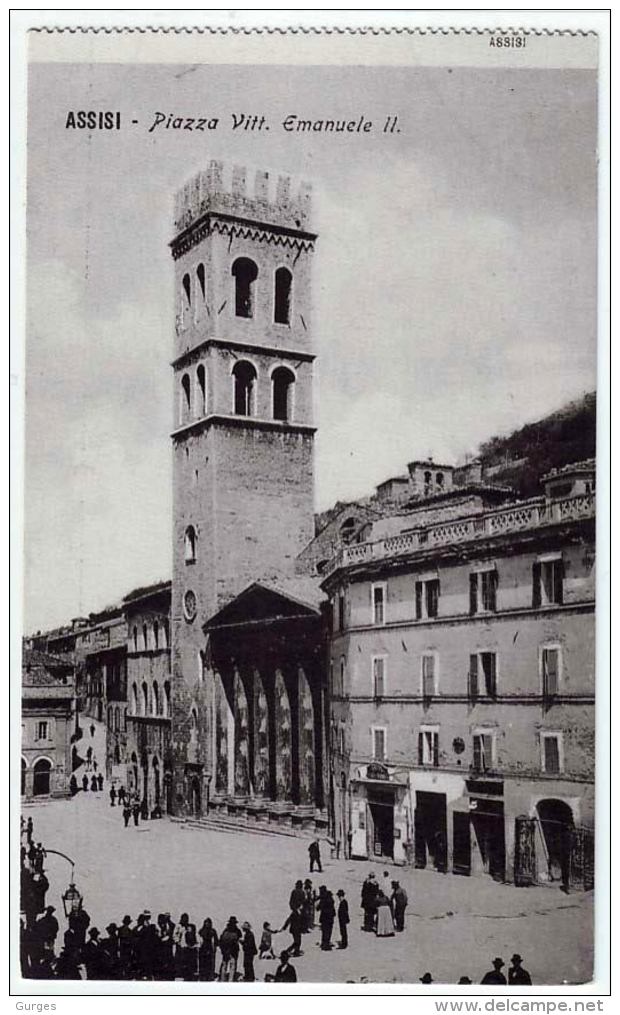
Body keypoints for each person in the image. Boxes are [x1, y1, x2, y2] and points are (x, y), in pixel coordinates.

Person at [219, 916, 242, 981]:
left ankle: (223, 979)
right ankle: (230, 980)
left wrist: (223, 950)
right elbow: (240, 938)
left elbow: (221, 941)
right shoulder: (237, 931)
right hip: (233, 951)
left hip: (226, 951)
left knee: (224, 965)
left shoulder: (225, 931)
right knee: (232, 966)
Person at [317, 886, 335, 950]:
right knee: (329, 931)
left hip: (325, 917)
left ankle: (325, 944)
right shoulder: (330, 897)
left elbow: (318, 908)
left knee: (325, 931)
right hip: (330, 917)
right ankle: (326, 943)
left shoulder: (323, 899)